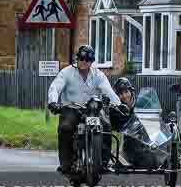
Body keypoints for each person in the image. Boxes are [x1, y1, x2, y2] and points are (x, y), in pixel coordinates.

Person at [47, 45, 124, 174]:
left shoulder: (98, 74)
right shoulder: (67, 72)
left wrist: (118, 104)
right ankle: (66, 164)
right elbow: (55, 87)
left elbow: (108, 90)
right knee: (65, 128)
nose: (84, 62)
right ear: (77, 59)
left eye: (88, 60)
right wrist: (53, 102)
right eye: (82, 58)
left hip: (92, 110)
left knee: (106, 126)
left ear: (92, 61)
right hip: (71, 108)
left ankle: (103, 163)